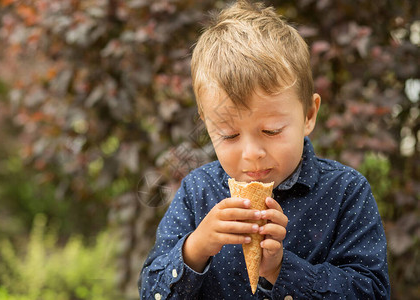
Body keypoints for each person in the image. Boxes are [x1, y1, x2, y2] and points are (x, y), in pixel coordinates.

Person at [139, 1, 390, 299]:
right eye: (229, 135)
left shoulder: (346, 192)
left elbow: (371, 291)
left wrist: (283, 269)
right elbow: (150, 291)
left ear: (309, 115)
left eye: (271, 131)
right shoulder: (197, 192)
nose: (252, 153)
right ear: (207, 127)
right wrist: (194, 249)